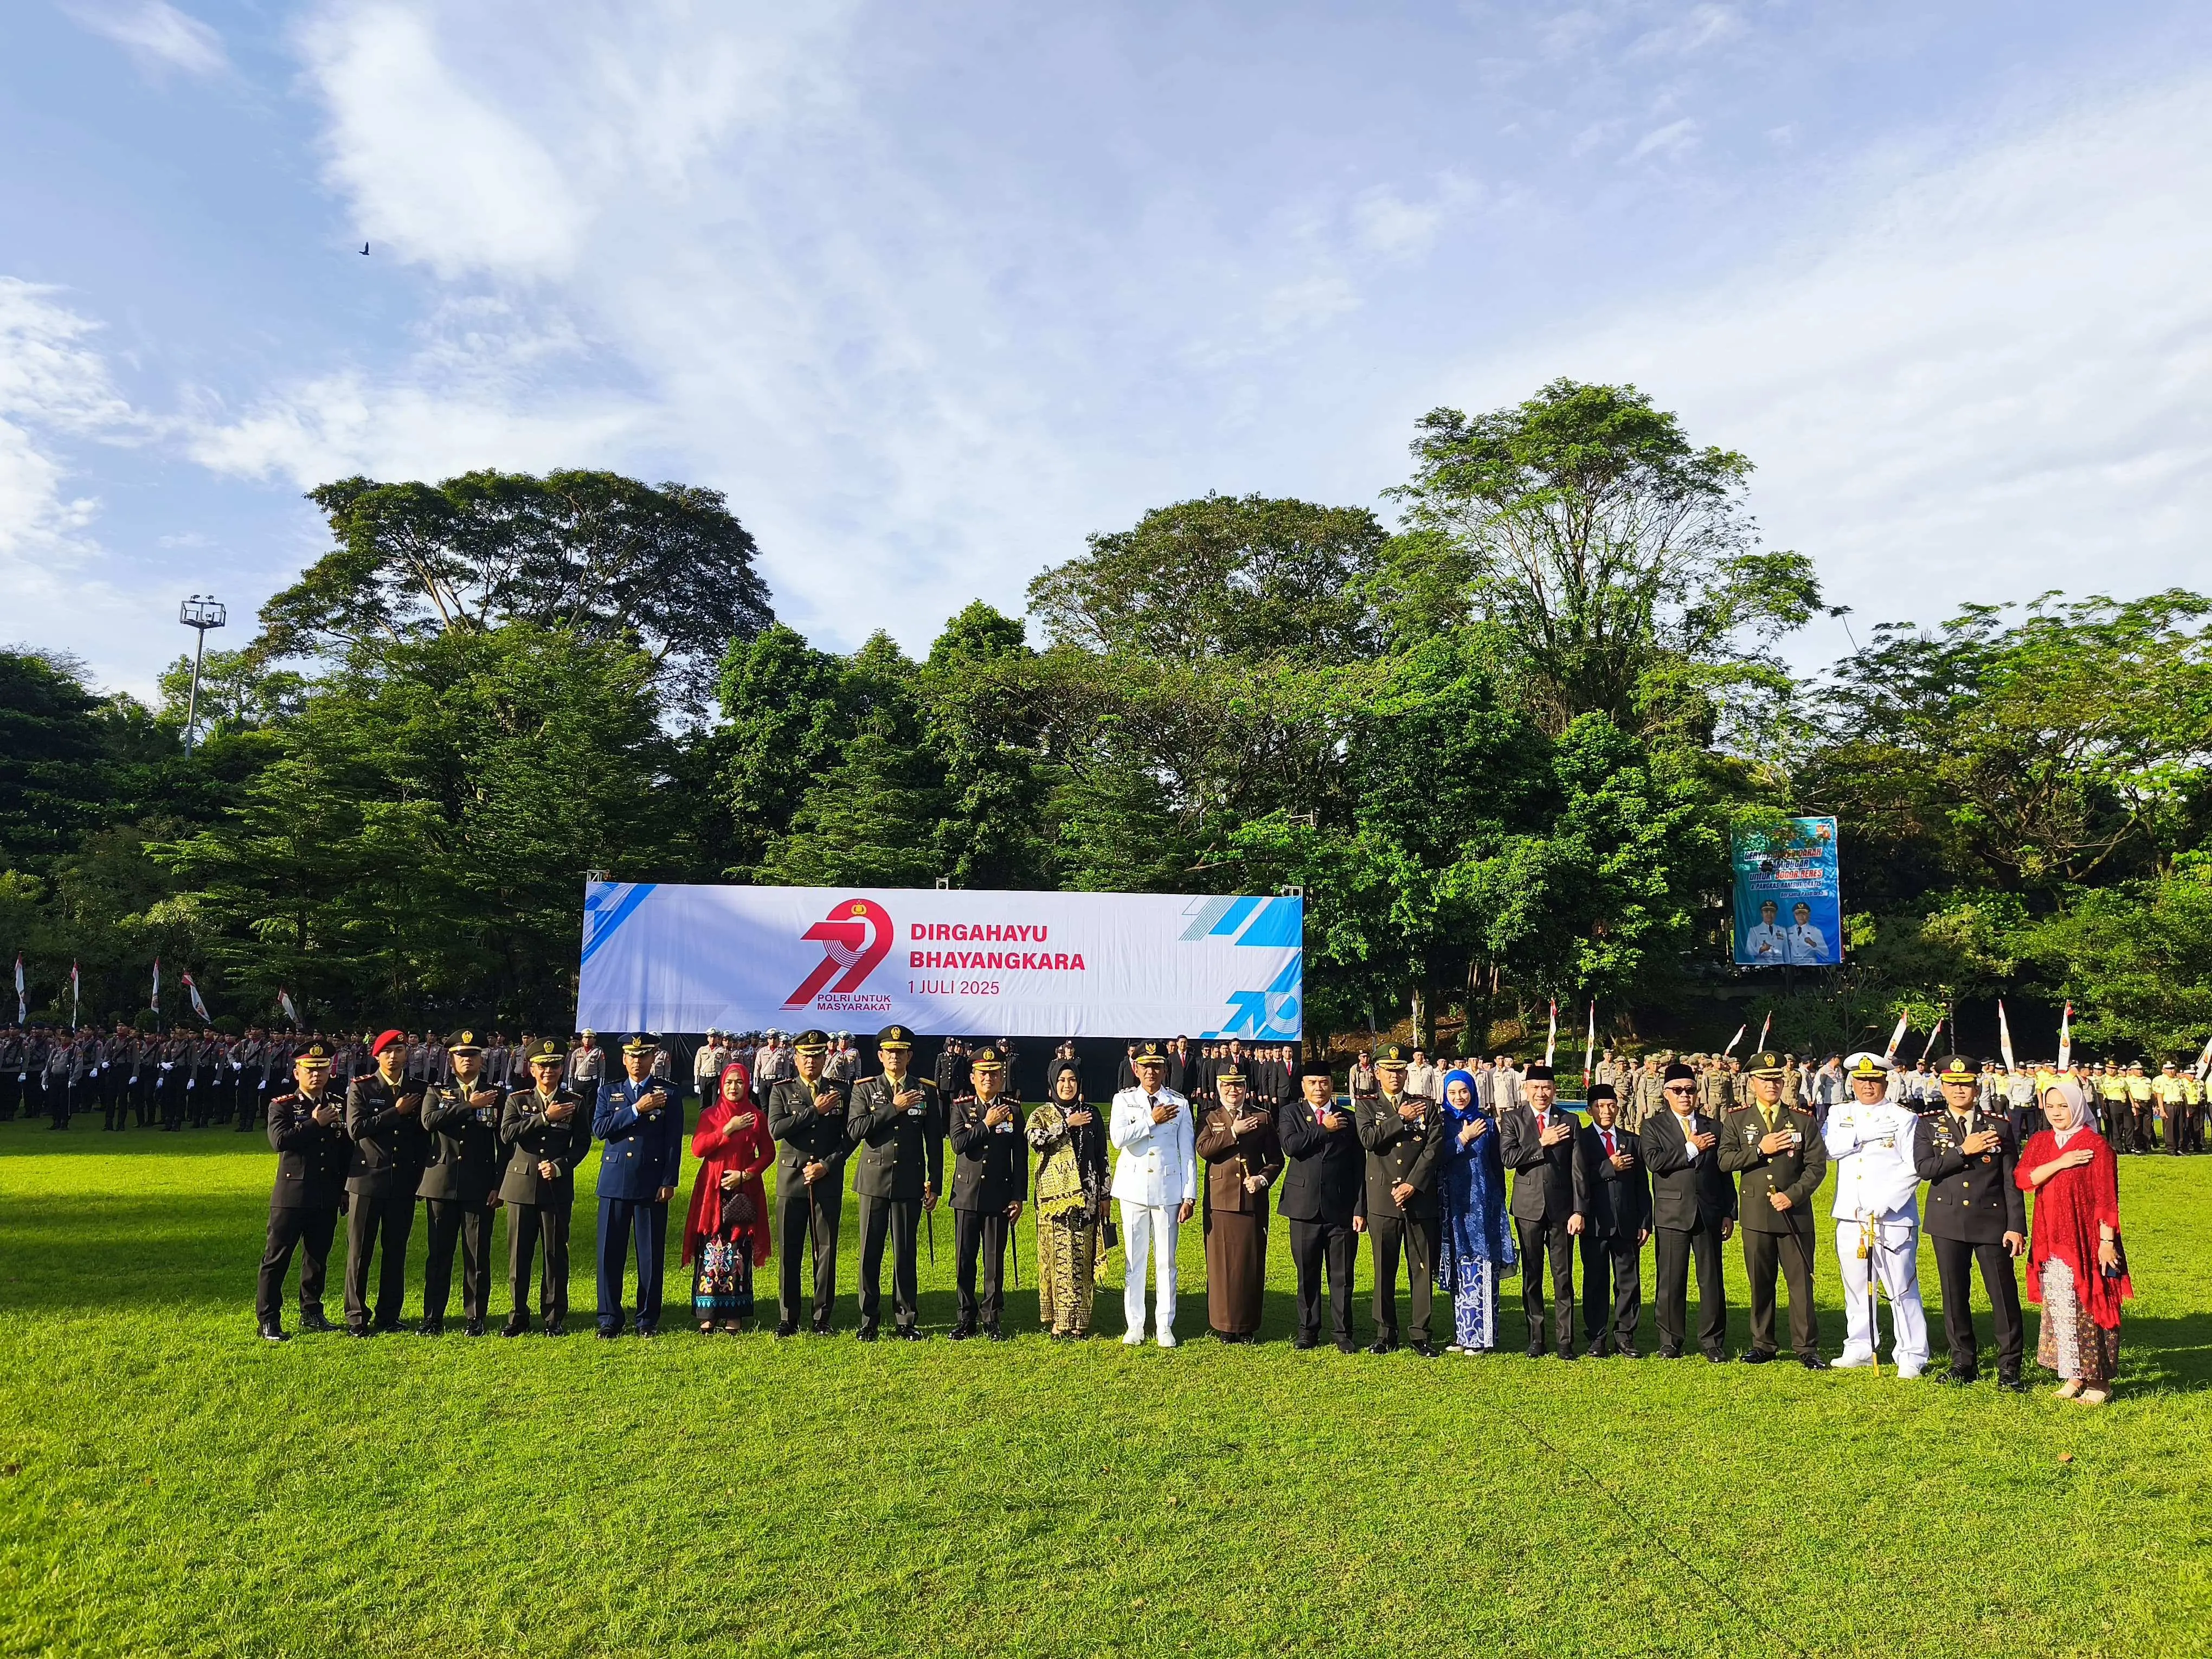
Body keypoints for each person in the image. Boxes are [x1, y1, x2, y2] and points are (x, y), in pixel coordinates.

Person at [1913, 1054, 2028, 1390]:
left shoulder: (1999, 1126)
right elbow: (1925, 1169)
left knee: (2003, 1296)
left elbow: (2011, 1181)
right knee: (1954, 1296)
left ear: (1976, 1087)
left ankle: (2009, 1367)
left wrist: (2016, 1226)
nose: (1959, 1090)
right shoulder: (1927, 1124)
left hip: (1991, 1220)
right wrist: (1963, 1150)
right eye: (1952, 1085)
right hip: (1947, 1221)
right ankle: (1963, 1362)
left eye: (1965, 1084)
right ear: (1942, 1088)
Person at [2020, 1081, 2131, 1404]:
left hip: (2086, 1240)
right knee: (2060, 1306)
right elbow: (2024, 1178)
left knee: (2090, 1306)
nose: (2056, 1113)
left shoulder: (2096, 1146)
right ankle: (2073, 1375)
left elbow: (2107, 1198)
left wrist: (2106, 1242)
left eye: (2063, 1106)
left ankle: (2099, 1382)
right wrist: (2061, 1162)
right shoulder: (2040, 1142)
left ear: (2078, 1107)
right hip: (2050, 1240)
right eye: (2050, 1106)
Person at [1719, 1050, 1829, 1369]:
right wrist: (1759, 1149)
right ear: (1752, 1083)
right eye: (1765, 1079)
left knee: (1801, 1284)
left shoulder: (1802, 1121)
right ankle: (1763, 1344)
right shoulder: (1737, 1120)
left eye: (1776, 1079)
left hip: (1795, 1214)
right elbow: (1724, 1161)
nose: (1772, 1085)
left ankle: (1806, 1347)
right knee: (1761, 1282)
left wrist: (1793, 1196)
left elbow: (1816, 1166)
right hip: (1756, 1214)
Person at [1824, 1052, 1930, 1378]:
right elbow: (1827, 1150)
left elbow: (1915, 1167)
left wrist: (1888, 1202)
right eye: (1861, 1080)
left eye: (1874, 1080)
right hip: (1851, 1213)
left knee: (1901, 1286)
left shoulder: (1903, 1118)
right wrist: (1861, 1135)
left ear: (1885, 1081)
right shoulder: (1839, 1113)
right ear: (1852, 1082)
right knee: (1856, 1285)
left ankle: (1911, 1354)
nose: (1867, 1086)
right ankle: (1859, 1346)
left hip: (1891, 1216)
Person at [845, 1024, 944, 1341]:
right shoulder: (865, 1089)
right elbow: (856, 1129)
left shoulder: (925, 1090)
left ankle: (906, 1319)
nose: (895, 1057)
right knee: (869, 1253)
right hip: (873, 1181)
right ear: (880, 1056)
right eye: (889, 1052)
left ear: (910, 1056)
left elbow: (934, 1140)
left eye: (901, 1053)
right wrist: (894, 1108)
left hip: (909, 1181)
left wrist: (936, 1182)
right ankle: (869, 1319)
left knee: (905, 1253)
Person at [254, 1042, 349, 1341]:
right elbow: (280, 1141)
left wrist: (344, 1189)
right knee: (277, 1259)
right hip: (292, 1195)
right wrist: (314, 1123)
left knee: (317, 1258)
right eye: (310, 1070)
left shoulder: (338, 1103)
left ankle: (312, 1311)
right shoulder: (282, 1105)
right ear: (297, 1073)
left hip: (326, 1193)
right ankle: (268, 1319)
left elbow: (345, 1150)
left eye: (322, 1069)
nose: (316, 1075)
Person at [416, 1029, 506, 1337]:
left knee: (477, 1255)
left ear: (482, 1059)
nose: (467, 1060)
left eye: (472, 1055)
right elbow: (429, 1122)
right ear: (451, 1060)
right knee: (439, 1255)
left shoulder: (496, 1093)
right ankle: (433, 1317)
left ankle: (476, 1317)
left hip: (479, 1185)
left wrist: (499, 1184)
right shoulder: (437, 1091)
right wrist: (470, 1105)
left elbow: (504, 1144)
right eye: (460, 1055)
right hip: (441, 1183)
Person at [1356, 1041, 1444, 1357]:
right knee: (1384, 1269)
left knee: (1422, 1268)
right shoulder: (1367, 1106)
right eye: (1388, 1070)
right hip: (1383, 1201)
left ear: (1407, 1074)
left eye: (1400, 1071)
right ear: (1377, 1073)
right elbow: (1369, 1139)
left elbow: (1434, 1149)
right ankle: (1385, 1333)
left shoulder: (1426, 1106)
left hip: (1419, 1199)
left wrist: (1413, 1185)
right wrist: (1401, 1119)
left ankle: (1420, 1333)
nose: (1395, 1076)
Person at [593, 1034, 684, 1339]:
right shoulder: (609, 1091)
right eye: (631, 1056)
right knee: (609, 1254)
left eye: (643, 1056)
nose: (637, 1061)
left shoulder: (668, 1093)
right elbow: (600, 1129)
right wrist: (636, 1109)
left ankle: (647, 1319)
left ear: (652, 1058)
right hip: (615, 1182)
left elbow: (673, 1141)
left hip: (651, 1182)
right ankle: (609, 1318)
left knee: (650, 1255)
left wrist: (669, 1180)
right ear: (623, 1059)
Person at [1643, 1061, 1735, 1362]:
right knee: (1671, 1280)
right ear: (1666, 1093)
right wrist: (1691, 1148)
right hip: (1672, 1213)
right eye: (1678, 1090)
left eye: (1690, 1090)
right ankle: (1670, 1340)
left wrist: (1729, 1211)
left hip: (1709, 1212)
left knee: (1711, 1280)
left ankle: (1712, 1341)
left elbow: (1724, 1173)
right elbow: (1655, 1163)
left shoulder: (1714, 1126)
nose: (1685, 1095)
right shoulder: (1653, 1126)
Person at [499, 1038, 592, 1335]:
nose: (548, 1071)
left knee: (555, 1254)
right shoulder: (518, 1100)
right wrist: (544, 1118)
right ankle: (517, 1316)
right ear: (531, 1069)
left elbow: (582, 1143)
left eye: (554, 1065)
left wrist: (561, 1165)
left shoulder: (575, 1102)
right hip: (521, 1186)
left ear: (562, 1068)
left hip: (556, 1187)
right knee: (519, 1255)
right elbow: (507, 1134)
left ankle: (554, 1317)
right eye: (542, 1066)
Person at [343, 1029, 429, 1335]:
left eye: (399, 1051)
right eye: (387, 1052)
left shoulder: (419, 1089)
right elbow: (356, 1129)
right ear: (377, 1056)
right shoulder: (362, 1087)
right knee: (360, 1252)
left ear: (407, 1054)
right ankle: (356, 1316)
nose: (393, 1057)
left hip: (403, 1181)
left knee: (396, 1252)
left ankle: (389, 1315)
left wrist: (420, 1178)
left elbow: (423, 1138)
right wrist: (397, 1112)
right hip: (367, 1181)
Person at [1110, 1044, 1196, 1348]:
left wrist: (1189, 1195)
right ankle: (1135, 1324)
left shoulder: (1179, 1103)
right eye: (1145, 1066)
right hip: (1133, 1189)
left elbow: (1187, 1152)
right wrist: (1151, 1120)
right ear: (1135, 1069)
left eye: (1157, 1066)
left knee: (1166, 1261)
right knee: (1135, 1260)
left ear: (1165, 1069)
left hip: (1167, 1190)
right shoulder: (1124, 1100)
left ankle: (1164, 1325)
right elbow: (1118, 1139)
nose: (1151, 1072)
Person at [767, 1028, 851, 1337]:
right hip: (792, 1180)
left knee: (825, 1250)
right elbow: (776, 1129)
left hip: (826, 1179)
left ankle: (821, 1317)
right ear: (795, 1058)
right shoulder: (782, 1090)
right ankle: (788, 1318)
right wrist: (815, 1111)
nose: (811, 1062)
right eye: (805, 1056)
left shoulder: (841, 1090)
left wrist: (827, 1166)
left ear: (825, 1057)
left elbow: (850, 1137)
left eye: (816, 1056)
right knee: (790, 1251)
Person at [1278, 1060, 1362, 1352]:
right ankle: (1308, 1330)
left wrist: (1359, 1209)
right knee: (1307, 1272)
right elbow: (1291, 1146)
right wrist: (1323, 1129)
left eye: (1324, 1082)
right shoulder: (1291, 1113)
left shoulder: (1349, 1118)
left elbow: (1359, 1166)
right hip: (1304, 1207)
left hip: (1341, 1208)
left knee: (1342, 1275)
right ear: (1303, 1086)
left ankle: (1343, 1332)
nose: (1319, 1088)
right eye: (1312, 1083)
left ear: (1332, 1085)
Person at [683, 1059, 773, 1333]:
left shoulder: (756, 1117)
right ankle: (708, 1312)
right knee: (711, 1247)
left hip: (743, 1190)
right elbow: (698, 1149)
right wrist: (727, 1129)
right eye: (730, 1082)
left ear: (748, 1085)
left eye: (740, 1082)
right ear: (722, 1085)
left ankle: (735, 1314)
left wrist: (746, 1174)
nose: (734, 1087)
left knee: (738, 1249)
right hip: (712, 1190)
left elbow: (769, 1153)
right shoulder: (710, 1115)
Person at [1195, 1066, 1283, 1342]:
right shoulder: (1209, 1116)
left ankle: (1246, 1325)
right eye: (1227, 1085)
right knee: (1221, 1266)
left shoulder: (1262, 1117)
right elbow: (1204, 1150)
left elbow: (1276, 1160)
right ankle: (1224, 1324)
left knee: (1249, 1263)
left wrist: (1262, 1179)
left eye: (1239, 1085)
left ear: (1246, 1088)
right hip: (1221, 1200)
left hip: (1251, 1201)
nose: (1233, 1091)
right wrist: (1233, 1131)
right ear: (1219, 1087)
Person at [1500, 1061, 1578, 1358]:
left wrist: (1579, 1210)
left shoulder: (1569, 1120)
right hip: (1528, 1208)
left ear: (1554, 1090)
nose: (1541, 1093)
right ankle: (1536, 1338)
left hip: (1562, 1209)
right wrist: (1541, 1143)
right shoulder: (1513, 1119)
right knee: (1532, 1275)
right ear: (1526, 1089)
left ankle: (1565, 1341)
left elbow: (1578, 1170)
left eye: (1546, 1088)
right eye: (1535, 1087)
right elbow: (1509, 1158)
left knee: (1563, 1276)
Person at [948, 1046, 1026, 1340]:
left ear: (1002, 1077)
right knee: (965, 1260)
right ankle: (966, 1318)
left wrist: (1018, 1196)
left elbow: (1020, 1159)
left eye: (994, 1074)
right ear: (973, 1077)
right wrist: (986, 1124)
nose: (988, 1078)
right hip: (967, 1194)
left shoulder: (1013, 1110)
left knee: (994, 1262)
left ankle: (992, 1318)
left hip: (998, 1195)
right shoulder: (961, 1107)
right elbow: (958, 1144)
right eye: (983, 1073)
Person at [1027, 1060, 1109, 1340]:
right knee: (1058, 1258)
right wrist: (1066, 1125)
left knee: (1082, 1259)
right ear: (1052, 1085)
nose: (1067, 1085)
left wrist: (1105, 1195)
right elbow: (1035, 1140)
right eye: (1061, 1080)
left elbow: (1102, 1155)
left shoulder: (1091, 1114)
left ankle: (1080, 1322)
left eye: (1072, 1079)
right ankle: (1059, 1322)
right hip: (1053, 1203)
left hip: (1087, 1198)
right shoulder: (1041, 1115)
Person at [1438, 1066, 1514, 1354]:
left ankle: (1482, 1338)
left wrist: (1497, 1204)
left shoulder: (1488, 1124)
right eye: (1452, 1092)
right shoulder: (1441, 1123)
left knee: (1482, 1268)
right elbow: (1435, 1157)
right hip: (1452, 1207)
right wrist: (1462, 1138)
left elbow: (1497, 1166)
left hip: (1482, 1207)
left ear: (1473, 1092)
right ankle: (1463, 1335)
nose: (1459, 1097)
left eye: (1464, 1091)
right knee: (1459, 1270)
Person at [1572, 1084, 1649, 1358]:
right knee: (1596, 1281)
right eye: (1600, 1106)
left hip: (1627, 1221)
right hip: (1594, 1222)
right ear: (1590, 1110)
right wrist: (1609, 1167)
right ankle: (1597, 1336)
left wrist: (1644, 1221)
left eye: (1611, 1106)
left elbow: (1642, 1185)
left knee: (1628, 1281)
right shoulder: (1581, 1140)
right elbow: (1579, 1178)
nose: (1606, 1111)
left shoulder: (1632, 1140)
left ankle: (1625, 1335)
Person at [1744, 898, 1787, 962]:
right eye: (1766, 911)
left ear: (1776, 914)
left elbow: (1786, 953)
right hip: (1762, 965)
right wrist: (1761, 949)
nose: (1769, 914)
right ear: (1762, 914)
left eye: (1772, 912)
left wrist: (1787, 965)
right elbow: (1748, 950)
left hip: (1779, 965)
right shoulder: (1754, 931)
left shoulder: (1782, 930)